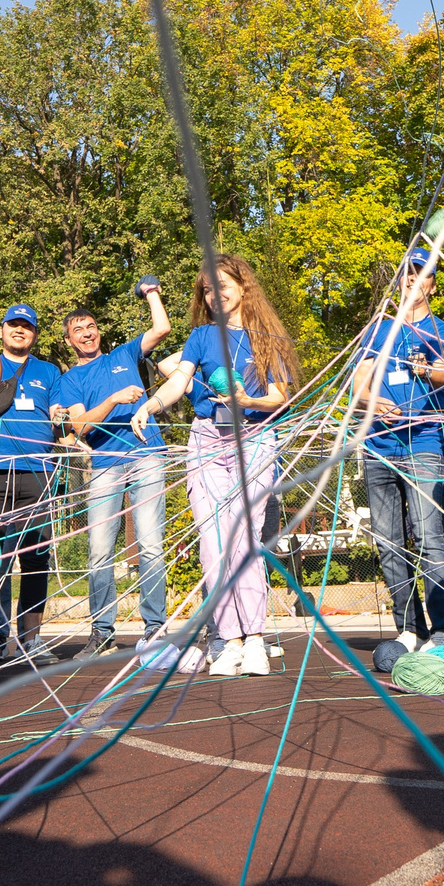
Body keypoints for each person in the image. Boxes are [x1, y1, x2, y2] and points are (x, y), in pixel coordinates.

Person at [132, 255, 299, 677]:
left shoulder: (268, 338)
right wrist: (150, 405)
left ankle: (256, 640)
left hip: (255, 438)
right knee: (213, 543)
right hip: (205, 439)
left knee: (244, 540)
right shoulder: (202, 336)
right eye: (207, 289)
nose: (214, 294)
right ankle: (231, 642)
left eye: (222, 284)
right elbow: (179, 380)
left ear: (244, 287)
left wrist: (248, 402)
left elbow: (281, 397)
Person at [348, 253, 444, 653]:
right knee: (388, 541)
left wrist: (424, 367)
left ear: (432, 284)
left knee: (430, 535)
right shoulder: (378, 330)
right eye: (406, 276)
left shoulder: (439, 329)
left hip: (424, 442)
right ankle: (409, 626)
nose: (412, 283)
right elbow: (359, 385)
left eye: (420, 276)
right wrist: (374, 402)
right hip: (378, 445)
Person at [50, 281, 174, 652]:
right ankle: (102, 632)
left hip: (147, 455)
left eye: (91, 327)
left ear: (98, 331)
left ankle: (155, 629)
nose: (86, 334)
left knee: (151, 545)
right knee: (100, 549)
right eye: (78, 331)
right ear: (70, 341)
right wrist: (114, 399)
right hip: (105, 463)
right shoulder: (69, 380)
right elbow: (80, 427)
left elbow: (161, 329)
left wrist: (152, 292)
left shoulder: (123, 355)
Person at [0, 304, 65, 661]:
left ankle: (30, 641)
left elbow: (60, 410)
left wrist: (62, 417)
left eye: (27, 326)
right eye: (14, 325)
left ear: (35, 334)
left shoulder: (49, 370)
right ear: (1, 330)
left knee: (35, 558)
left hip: (38, 474)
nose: (20, 330)